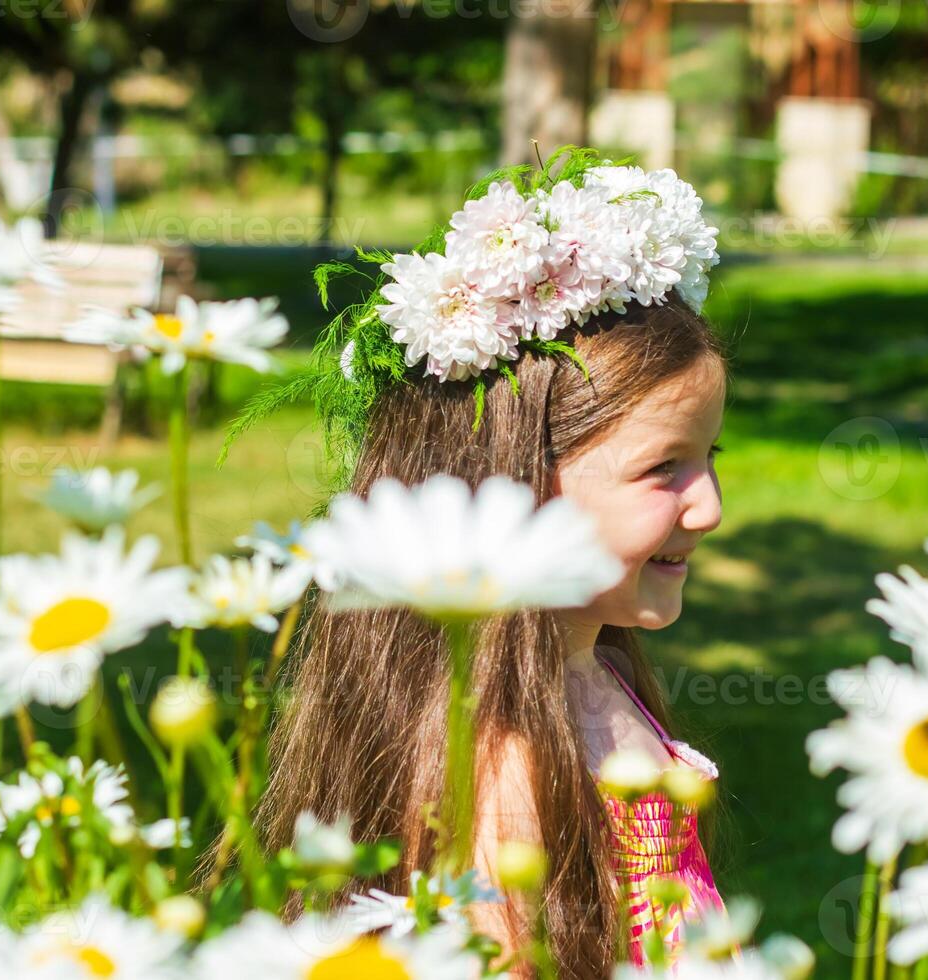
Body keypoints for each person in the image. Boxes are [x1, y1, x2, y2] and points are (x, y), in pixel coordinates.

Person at [257, 153, 731, 977]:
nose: (711, 507)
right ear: (517, 483)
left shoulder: (594, 678)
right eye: (665, 469)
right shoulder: (503, 768)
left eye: (710, 457)